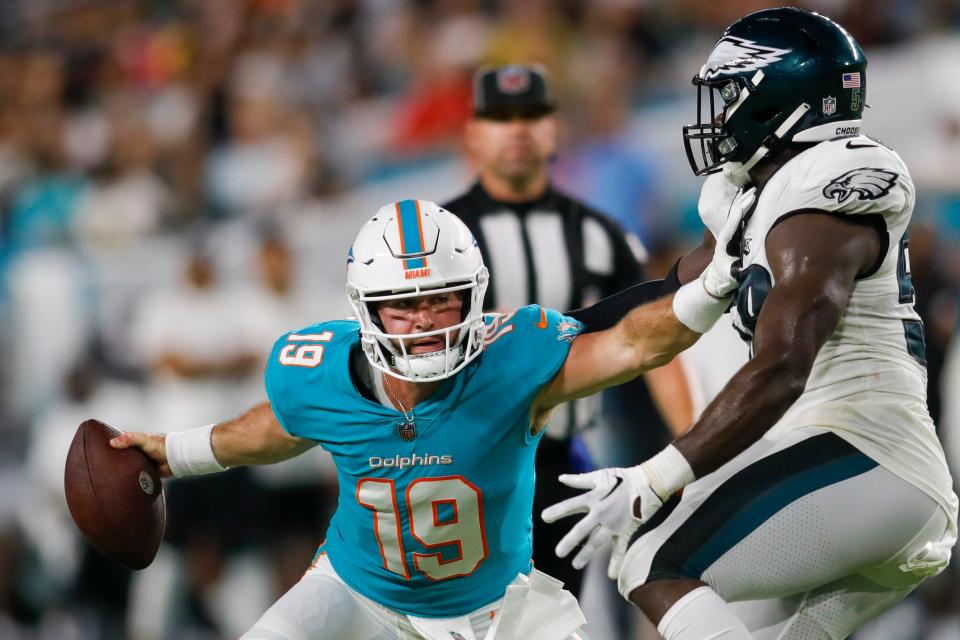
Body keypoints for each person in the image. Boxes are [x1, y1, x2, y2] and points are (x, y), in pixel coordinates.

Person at [110, 196, 745, 640]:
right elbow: (276, 429)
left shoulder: (512, 361)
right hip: (357, 590)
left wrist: (713, 284)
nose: (425, 321)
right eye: (404, 305)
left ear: (472, 296)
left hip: (500, 612)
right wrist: (179, 450)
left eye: (442, 299)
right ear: (368, 312)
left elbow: (633, 342)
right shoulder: (317, 369)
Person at [543, 8, 959, 640]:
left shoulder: (830, 184)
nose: (719, 114)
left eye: (731, 94)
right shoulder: (762, 195)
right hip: (852, 470)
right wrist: (545, 334)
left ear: (780, 97)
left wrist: (653, 478)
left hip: (865, 455)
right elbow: (666, 294)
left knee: (652, 553)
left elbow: (783, 367)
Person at [444, 64, 694, 597]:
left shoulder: (601, 235)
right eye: (501, 117)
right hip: (462, 464)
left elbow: (657, 339)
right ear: (473, 134)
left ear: (555, 130)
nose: (517, 129)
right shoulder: (440, 236)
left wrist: (689, 446)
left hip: (560, 461)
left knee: (554, 615)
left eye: (531, 116)